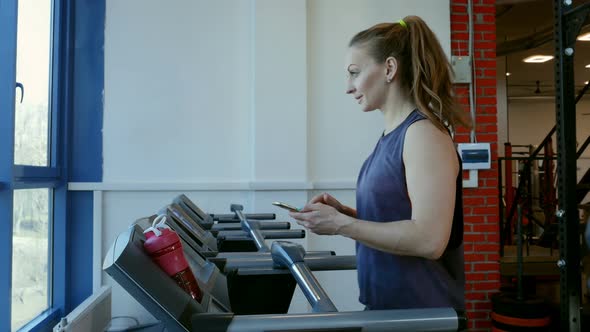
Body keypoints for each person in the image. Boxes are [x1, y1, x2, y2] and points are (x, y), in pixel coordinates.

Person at [289, 15, 469, 311]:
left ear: (389, 68)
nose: (349, 87)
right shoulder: (392, 135)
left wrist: (341, 225)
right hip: (387, 310)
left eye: (355, 72)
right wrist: (347, 214)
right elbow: (402, 215)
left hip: (422, 315)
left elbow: (429, 239)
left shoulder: (423, 135)